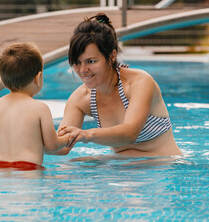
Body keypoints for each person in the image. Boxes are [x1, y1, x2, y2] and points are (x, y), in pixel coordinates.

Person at [57, 13, 182, 157]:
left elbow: (130, 133)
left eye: (91, 61)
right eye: (77, 63)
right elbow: (62, 147)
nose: (83, 70)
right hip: (119, 169)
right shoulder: (80, 99)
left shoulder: (139, 82)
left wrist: (87, 135)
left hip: (160, 168)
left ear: (112, 56)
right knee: (69, 169)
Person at [0, 42, 69, 170]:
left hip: (0, 168)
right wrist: (68, 138)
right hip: (29, 169)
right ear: (38, 77)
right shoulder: (40, 108)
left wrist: (3, 136)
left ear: (3, 80)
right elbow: (52, 146)